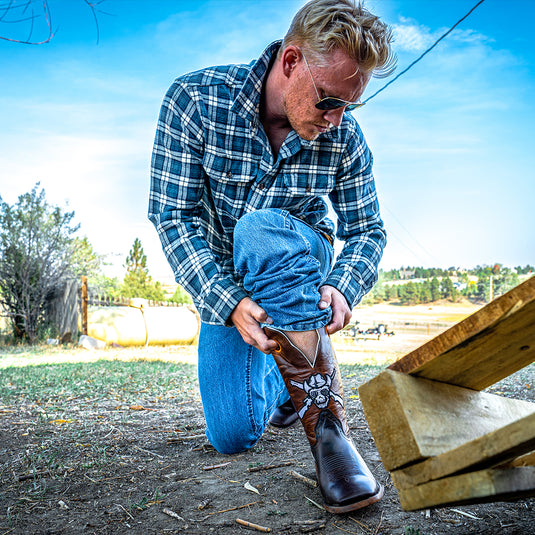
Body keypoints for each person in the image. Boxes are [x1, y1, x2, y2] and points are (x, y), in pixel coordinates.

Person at [149, 0, 395, 514]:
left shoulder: (344, 136)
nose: (338, 119)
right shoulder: (194, 100)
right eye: (330, 101)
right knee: (232, 434)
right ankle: (287, 376)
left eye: (351, 105)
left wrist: (344, 285)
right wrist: (229, 302)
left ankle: (326, 424)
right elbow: (174, 217)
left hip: (299, 258)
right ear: (290, 62)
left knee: (261, 229)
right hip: (228, 284)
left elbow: (368, 230)